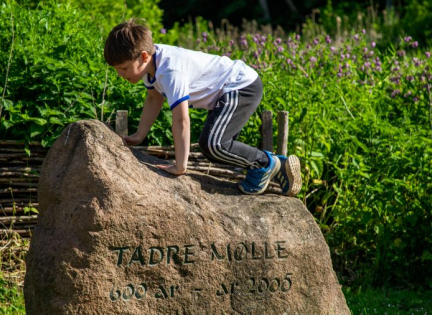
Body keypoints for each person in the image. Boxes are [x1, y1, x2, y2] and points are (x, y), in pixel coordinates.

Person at [103, 19, 302, 196]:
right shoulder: (150, 66)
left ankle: (268, 164)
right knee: (214, 144)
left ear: (144, 56)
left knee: (214, 144)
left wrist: (180, 166)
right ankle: (264, 166)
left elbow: (181, 119)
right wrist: (139, 135)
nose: (121, 74)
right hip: (228, 91)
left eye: (124, 68)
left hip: (241, 85)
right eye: (117, 69)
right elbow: (154, 99)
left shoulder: (170, 70)